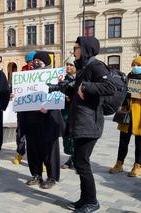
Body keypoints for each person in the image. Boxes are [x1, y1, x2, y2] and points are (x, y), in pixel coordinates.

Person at [67, 36, 115, 212]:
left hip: (90, 124)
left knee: (82, 163)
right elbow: (80, 95)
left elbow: (110, 87)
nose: (74, 51)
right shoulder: (84, 68)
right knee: (80, 163)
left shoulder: (96, 66)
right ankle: (84, 198)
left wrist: (86, 86)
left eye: (76, 47)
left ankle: (92, 201)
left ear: (85, 49)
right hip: (81, 122)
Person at [23, 51, 63, 189]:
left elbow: (58, 94)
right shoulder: (27, 76)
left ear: (46, 62)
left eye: (39, 60)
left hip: (48, 118)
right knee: (33, 148)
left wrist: (49, 106)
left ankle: (52, 177)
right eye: (34, 60)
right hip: (31, 119)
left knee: (49, 149)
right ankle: (36, 174)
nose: (36, 62)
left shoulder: (53, 76)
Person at [109, 56, 141, 177]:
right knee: (123, 141)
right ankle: (119, 164)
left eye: (138, 65)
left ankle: (137, 165)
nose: (135, 67)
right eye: (134, 65)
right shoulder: (128, 77)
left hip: (139, 116)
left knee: (139, 143)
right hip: (127, 113)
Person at [12, 51, 37, 165]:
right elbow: (15, 89)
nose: (32, 64)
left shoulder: (40, 73)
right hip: (22, 110)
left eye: (34, 61)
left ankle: (39, 159)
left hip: (36, 111)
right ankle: (20, 153)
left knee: (36, 135)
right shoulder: (21, 74)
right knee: (21, 133)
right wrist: (13, 94)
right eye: (30, 62)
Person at [61, 56, 76, 169]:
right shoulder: (63, 78)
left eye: (71, 65)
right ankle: (72, 158)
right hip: (65, 111)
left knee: (75, 135)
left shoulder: (80, 78)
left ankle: (75, 159)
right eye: (67, 65)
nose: (68, 67)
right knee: (67, 135)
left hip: (77, 111)